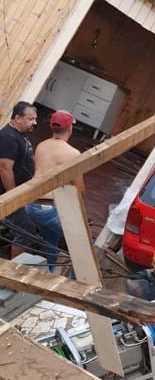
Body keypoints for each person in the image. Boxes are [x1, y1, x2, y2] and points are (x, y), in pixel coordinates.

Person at [26, 110, 85, 272]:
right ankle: (75, 285)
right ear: (69, 129)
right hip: (47, 208)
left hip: (31, 205)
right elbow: (79, 189)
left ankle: (50, 271)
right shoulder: (73, 154)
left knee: (51, 239)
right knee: (84, 245)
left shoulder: (42, 145)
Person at [0, 101, 39, 258]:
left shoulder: (20, 135)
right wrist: (13, 197)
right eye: (31, 119)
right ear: (17, 118)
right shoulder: (8, 137)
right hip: (8, 194)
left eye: (35, 119)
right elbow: (4, 168)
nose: (34, 122)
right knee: (26, 232)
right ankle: (11, 272)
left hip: (19, 193)